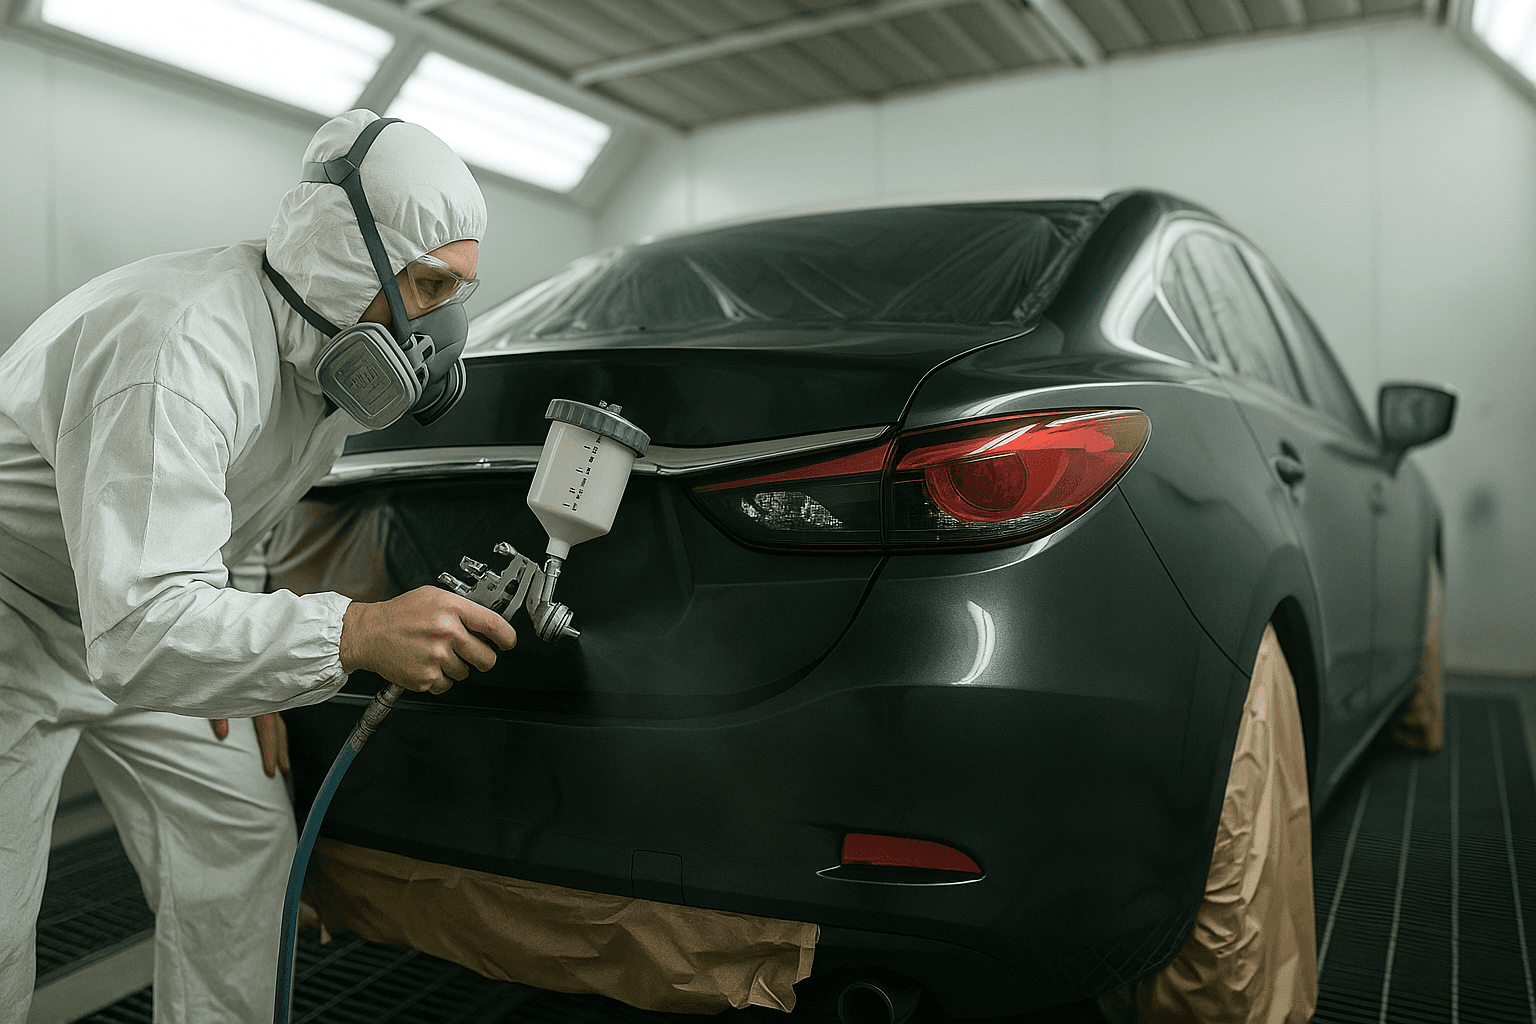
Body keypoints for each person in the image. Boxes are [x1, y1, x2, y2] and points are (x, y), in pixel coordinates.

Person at [0, 109, 519, 1024]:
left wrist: (255, 669)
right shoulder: (179, 348)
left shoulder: (321, 363)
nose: (443, 325)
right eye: (430, 283)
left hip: (137, 615)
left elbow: (233, 528)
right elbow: (141, 630)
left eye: (458, 291)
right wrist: (353, 631)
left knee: (240, 848)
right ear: (346, 256)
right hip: (18, 614)